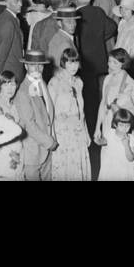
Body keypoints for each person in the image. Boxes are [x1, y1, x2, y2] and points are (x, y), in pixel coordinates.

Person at [47, 48, 90, 181]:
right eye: (70, 62)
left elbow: (81, 111)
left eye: (76, 62)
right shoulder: (54, 82)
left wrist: (86, 132)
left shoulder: (79, 82)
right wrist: (51, 134)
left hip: (78, 132)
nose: (74, 66)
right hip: (62, 133)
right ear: (63, 63)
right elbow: (49, 111)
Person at [12, 49, 56, 181]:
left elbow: (48, 113)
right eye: (32, 65)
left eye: (40, 65)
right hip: (33, 152)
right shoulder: (22, 92)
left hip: (46, 151)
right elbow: (29, 124)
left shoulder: (42, 83)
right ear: (26, 66)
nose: (37, 68)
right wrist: (49, 142)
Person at [0, 73, 23, 181]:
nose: (10, 88)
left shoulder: (14, 104)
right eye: (6, 84)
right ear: (0, 86)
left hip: (18, 152)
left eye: (13, 84)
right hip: (4, 154)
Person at [97, 107, 134, 181]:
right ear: (115, 124)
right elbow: (104, 142)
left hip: (125, 172)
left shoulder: (132, 139)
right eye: (121, 125)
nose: (124, 128)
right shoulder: (110, 133)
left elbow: (131, 158)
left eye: (127, 126)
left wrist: (126, 145)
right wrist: (99, 141)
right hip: (110, 170)